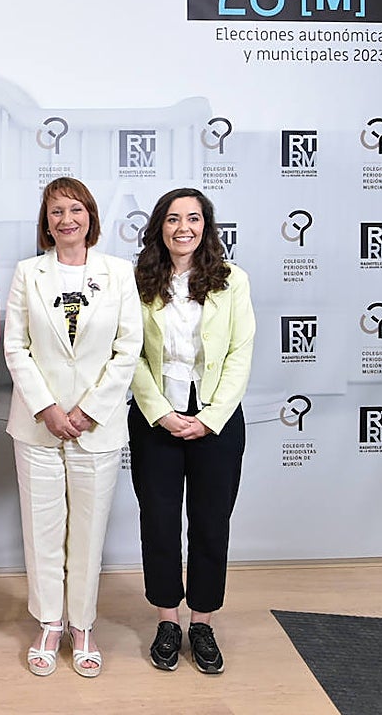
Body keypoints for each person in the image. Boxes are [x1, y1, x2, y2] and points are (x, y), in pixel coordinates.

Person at [4, 177, 141, 678]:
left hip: (96, 427)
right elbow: (15, 345)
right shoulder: (27, 273)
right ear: (46, 221)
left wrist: (88, 411)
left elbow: (129, 349)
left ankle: (82, 625)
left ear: (90, 217)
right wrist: (47, 408)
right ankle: (48, 624)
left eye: (75, 210)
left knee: (87, 532)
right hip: (38, 425)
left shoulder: (119, 273)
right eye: (56, 211)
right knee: (42, 530)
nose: (67, 219)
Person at [128, 187, 255, 675]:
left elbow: (241, 353)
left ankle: (201, 622)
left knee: (210, 523)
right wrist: (159, 411)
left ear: (206, 226)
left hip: (217, 422)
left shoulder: (232, 281)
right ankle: (167, 620)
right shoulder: (138, 281)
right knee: (158, 523)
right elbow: (131, 351)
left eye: (194, 218)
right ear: (160, 226)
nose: (184, 227)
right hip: (155, 419)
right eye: (174, 218)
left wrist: (211, 416)